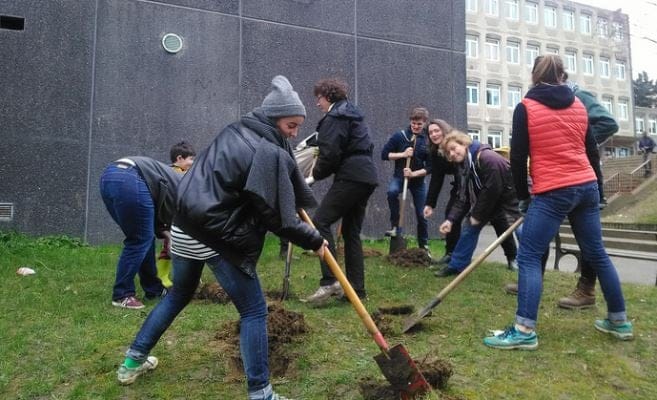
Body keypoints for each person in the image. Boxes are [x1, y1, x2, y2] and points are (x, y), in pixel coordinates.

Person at [116, 76, 327, 400]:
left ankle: (132, 361)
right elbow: (274, 217)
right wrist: (313, 240)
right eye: (290, 125)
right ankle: (262, 394)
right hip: (215, 235)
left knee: (176, 297)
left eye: (298, 126)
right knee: (254, 311)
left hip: (183, 227)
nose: (294, 133)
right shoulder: (265, 151)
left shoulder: (235, 131)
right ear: (274, 118)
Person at [484, 55, 633, 350]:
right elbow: (592, 152)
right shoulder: (578, 104)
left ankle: (524, 330)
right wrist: (598, 191)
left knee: (528, 256)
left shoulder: (525, 107)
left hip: (553, 190)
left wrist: (524, 196)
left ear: (534, 76)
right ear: (562, 74)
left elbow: (517, 156)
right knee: (598, 253)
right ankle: (619, 321)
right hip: (586, 187)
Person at [303, 78, 378, 304]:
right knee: (351, 233)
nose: (317, 103)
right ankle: (356, 289)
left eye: (319, 98)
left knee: (320, 222)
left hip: (351, 177)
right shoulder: (353, 115)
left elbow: (331, 153)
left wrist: (312, 177)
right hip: (366, 176)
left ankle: (330, 281)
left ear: (329, 97)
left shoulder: (335, 117)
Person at [433, 131, 520, 277]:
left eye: (454, 148)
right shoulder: (463, 166)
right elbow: (463, 196)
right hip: (489, 200)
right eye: (449, 153)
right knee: (469, 228)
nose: (453, 154)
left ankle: (523, 264)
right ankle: (456, 265)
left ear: (464, 143)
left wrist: (477, 214)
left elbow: (493, 189)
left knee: (522, 231)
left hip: (513, 199)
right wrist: (451, 220)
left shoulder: (487, 158)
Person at [100, 156, 180, 309]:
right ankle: (122, 294)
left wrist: (167, 235)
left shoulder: (183, 186)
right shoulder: (192, 196)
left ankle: (154, 290)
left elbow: (157, 214)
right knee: (139, 239)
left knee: (144, 236)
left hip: (110, 176)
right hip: (132, 178)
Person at [381, 107, 431, 251]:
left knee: (422, 214)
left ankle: (424, 246)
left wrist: (413, 174)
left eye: (419, 124)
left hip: (418, 182)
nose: (415, 126)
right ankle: (396, 228)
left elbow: (430, 168)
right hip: (399, 177)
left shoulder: (427, 141)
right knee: (391, 192)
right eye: (413, 123)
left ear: (424, 123)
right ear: (410, 121)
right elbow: (385, 154)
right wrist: (402, 154)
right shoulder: (399, 136)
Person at [156, 141, 198, 288]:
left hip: (178, 218)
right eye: (191, 159)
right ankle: (163, 277)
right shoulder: (175, 172)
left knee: (174, 247)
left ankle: (172, 277)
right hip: (173, 219)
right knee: (170, 247)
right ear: (179, 158)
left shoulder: (181, 173)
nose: (193, 163)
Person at [422, 119, 459, 266]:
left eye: (437, 130)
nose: (433, 134)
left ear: (444, 129)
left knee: (498, 217)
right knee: (451, 215)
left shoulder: (456, 144)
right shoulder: (436, 153)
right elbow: (437, 178)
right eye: (430, 132)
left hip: (478, 182)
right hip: (459, 185)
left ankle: (511, 256)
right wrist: (430, 204)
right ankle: (451, 253)